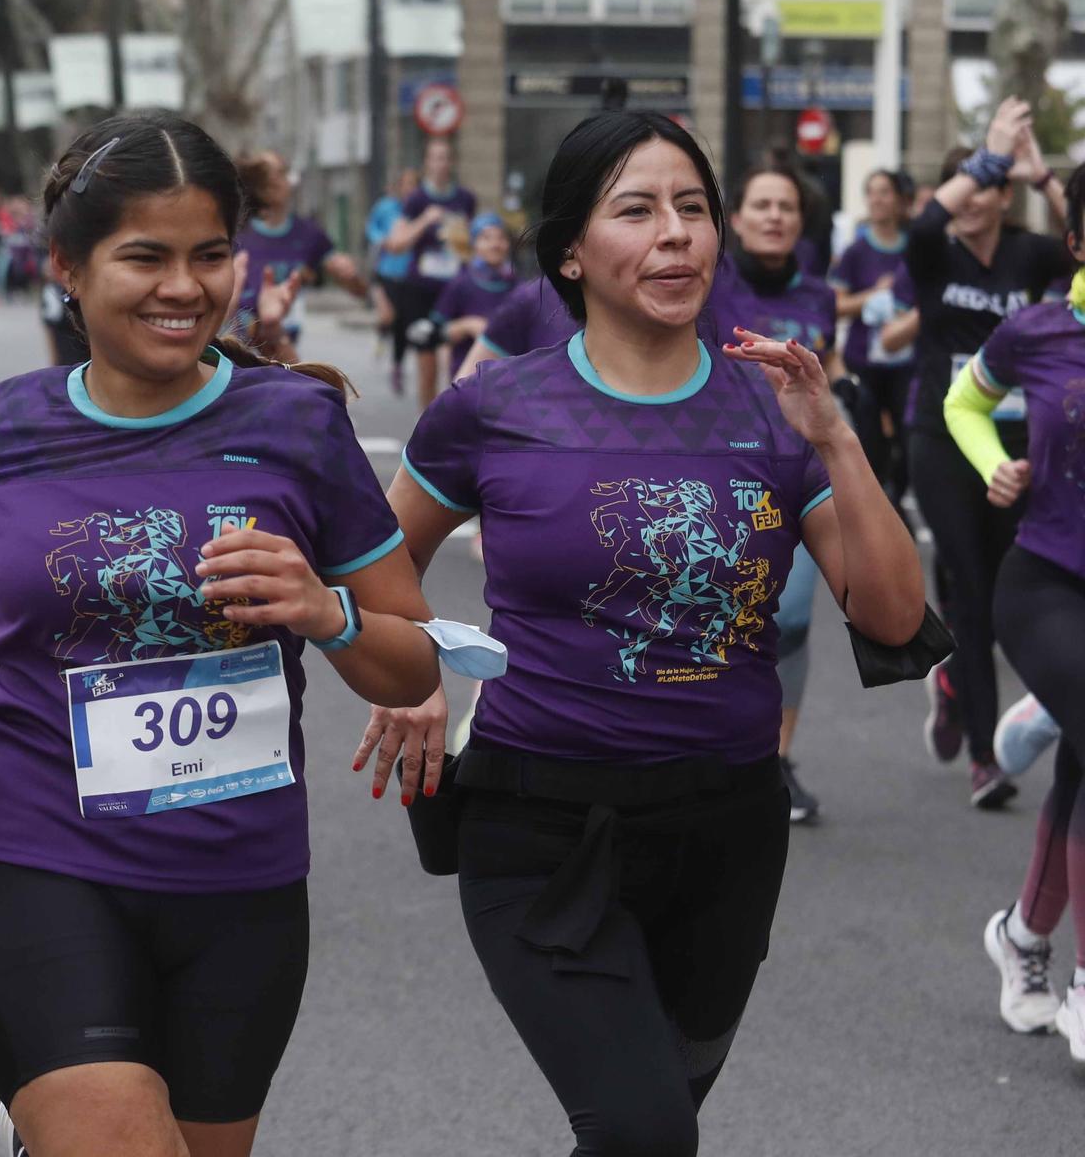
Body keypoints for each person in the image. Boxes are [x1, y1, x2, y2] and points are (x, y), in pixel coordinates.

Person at [0, 111, 444, 1157]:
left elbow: (410, 659)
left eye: (210, 255)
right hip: (35, 854)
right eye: (144, 256)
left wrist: (326, 612)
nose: (183, 288)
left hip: (240, 885)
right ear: (65, 265)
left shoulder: (295, 426)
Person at [378, 109, 923, 1155]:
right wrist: (412, 671)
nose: (675, 233)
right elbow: (377, 563)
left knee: (656, 1119)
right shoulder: (492, 407)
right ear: (571, 250)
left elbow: (890, 616)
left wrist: (838, 441)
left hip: (727, 829)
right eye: (636, 210)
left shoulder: (773, 409)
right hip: (536, 823)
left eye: (692, 208)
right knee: (641, 1132)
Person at [945, 163, 1085, 1062]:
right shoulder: (1037, 331)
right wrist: (992, 460)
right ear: (1076, 242)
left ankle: (1024, 939)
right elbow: (965, 401)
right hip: (1046, 584)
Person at [905, 97, 1072, 803]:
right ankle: (985, 757)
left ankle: (953, 680)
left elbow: (1081, 234)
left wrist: (1041, 176)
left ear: (1005, 199)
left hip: (1022, 447)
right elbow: (924, 220)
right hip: (944, 439)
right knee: (971, 590)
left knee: (1015, 590)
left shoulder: (1032, 254)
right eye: (965, 188)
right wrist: (986, 157)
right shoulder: (935, 256)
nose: (972, 201)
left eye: (986, 190)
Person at [710, 157, 841, 823]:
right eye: (760, 205)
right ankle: (713, 746)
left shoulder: (818, 295)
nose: (774, 216)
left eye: (785, 206)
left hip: (796, 475)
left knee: (788, 619)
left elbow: (830, 371)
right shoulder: (709, 283)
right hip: (711, 475)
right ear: (735, 219)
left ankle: (776, 759)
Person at [829, 170, 917, 508]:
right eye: (872, 193)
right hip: (863, 361)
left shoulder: (915, 250)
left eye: (885, 192)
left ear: (899, 200)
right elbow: (835, 306)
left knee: (911, 440)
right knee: (870, 442)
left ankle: (897, 495)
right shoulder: (856, 251)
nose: (878, 200)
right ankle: (877, 504)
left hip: (908, 362)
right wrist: (872, 295)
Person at [231, 150, 367, 360]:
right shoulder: (235, 232)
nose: (280, 180)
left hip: (281, 347)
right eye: (268, 175)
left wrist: (351, 275)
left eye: (281, 173)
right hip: (236, 351)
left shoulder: (309, 234)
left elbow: (358, 291)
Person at [384, 137, 477, 405]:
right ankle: (427, 427)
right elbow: (396, 244)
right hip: (421, 290)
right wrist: (426, 220)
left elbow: (471, 244)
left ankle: (452, 423)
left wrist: (463, 242)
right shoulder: (416, 200)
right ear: (427, 163)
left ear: (453, 162)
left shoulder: (465, 199)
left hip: (455, 289)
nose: (441, 164)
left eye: (446, 157)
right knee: (427, 367)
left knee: (457, 367)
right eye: (436, 158)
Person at [431, 212, 518, 379]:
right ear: (474, 244)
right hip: (469, 378)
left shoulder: (519, 286)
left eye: (501, 238)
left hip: (509, 379)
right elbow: (438, 334)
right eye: (486, 238)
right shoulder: (460, 284)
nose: (495, 244)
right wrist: (467, 325)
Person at [366, 168, 422, 367]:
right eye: (407, 184)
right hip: (386, 270)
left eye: (414, 185)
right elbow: (371, 227)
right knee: (388, 315)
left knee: (402, 322)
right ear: (400, 186)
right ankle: (381, 334)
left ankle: (397, 364)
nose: (410, 189)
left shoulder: (421, 211)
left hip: (410, 273)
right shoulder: (386, 207)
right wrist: (382, 240)